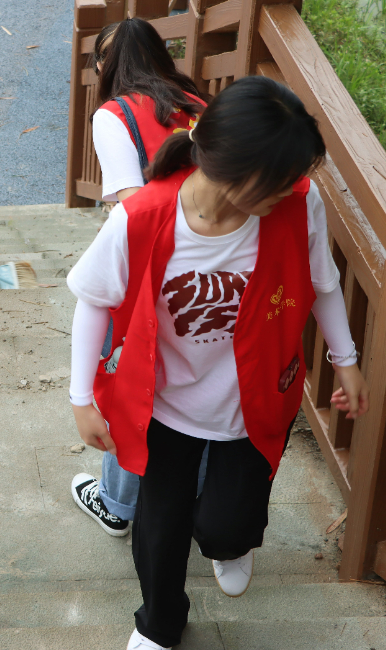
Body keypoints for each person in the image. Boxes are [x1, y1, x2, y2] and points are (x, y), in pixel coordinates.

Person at [66, 76, 368, 650]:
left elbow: (324, 285)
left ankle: (232, 545)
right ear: (233, 171)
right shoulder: (144, 216)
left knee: (227, 526)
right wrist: (82, 398)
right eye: (278, 181)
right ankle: (158, 623)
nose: (292, 190)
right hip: (164, 403)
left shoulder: (299, 203)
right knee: (159, 528)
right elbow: (93, 300)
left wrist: (345, 360)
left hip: (251, 401)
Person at [71, 18, 207, 537]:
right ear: (161, 55)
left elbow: (134, 205)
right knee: (197, 379)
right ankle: (196, 497)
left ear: (105, 66)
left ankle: (117, 503)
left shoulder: (114, 113)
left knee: (133, 379)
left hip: (156, 265)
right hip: (219, 260)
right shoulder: (198, 101)